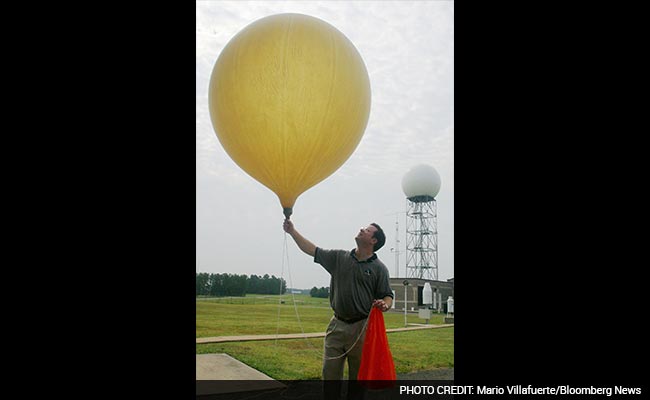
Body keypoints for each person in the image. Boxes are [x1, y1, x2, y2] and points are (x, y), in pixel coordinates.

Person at [283, 219, 394, 397]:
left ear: (374, 241)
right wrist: (292, 231)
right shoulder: (339, 257)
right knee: (330, 376)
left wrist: (385, 304)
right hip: (336, 325)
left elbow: (387, 295)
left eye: (367, 230)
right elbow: (313, 250)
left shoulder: (379, 268)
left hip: (362, 329)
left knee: (357, 381)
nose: (361, 229)